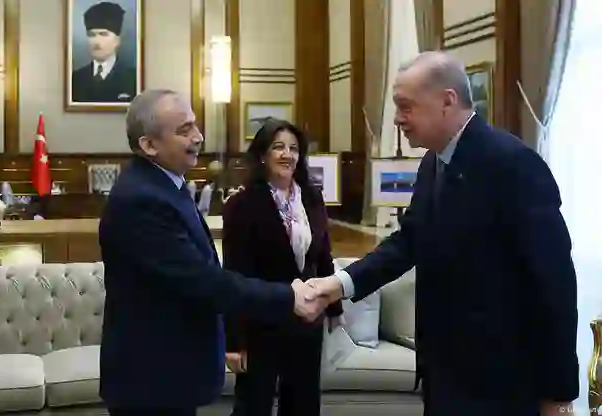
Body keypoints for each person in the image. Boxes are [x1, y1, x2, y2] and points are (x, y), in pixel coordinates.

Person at [307, 51, 578, 416]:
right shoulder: (433, 162)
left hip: (500, 387)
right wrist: (339, 284)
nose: (397, 119)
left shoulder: (513, 164)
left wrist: (558, 394)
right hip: (445, 378)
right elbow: (408, 243)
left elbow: (554, 283)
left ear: (447, 101)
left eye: (405, 107)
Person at [98, 89, 328, 416]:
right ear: (149, 145)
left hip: (167, 374)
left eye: (195, 125)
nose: (198, 137)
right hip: (151, 380)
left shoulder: (166, 185)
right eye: (184, 130)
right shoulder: (142, 200)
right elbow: (203, 281)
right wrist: (290, 297)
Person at [223, 119, 344, 416]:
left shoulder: (312, 197)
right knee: (253, 406)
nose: (287, 155)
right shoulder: (241, 204)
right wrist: (234, 341)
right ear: (262, 155)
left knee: (303, 406)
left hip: (307, 323)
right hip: (261, 324)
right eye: (278, 147)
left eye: (294, 148)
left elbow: (323, 256)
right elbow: (235, 274)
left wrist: (334, 308)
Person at [71, 1, 137, 103]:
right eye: (92, 35)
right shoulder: (76, 78)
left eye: (103, 34)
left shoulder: (132, 78)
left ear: (117, 40)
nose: (96, 41)